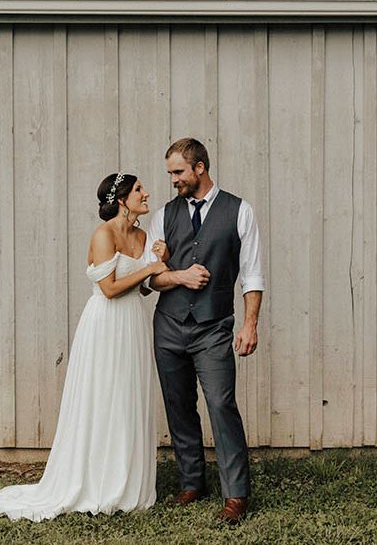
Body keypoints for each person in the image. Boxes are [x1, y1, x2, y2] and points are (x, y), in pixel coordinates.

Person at [0, 172, 169, 521]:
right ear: (121, 199)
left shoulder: (141, 235)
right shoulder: (103, 235)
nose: (146, 193)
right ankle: (93, 481)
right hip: (106, 324)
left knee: (127, 397)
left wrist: (157, 263)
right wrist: (152, 266)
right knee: (102, 397)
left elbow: (142, 288)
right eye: (139, 190)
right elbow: (109, 288)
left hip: (133, 323)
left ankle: (125, 482)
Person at [148, 137, 264, 525]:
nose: (173, 180)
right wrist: (178, 274)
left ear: (200, 168)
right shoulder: (164, 215)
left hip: (213, 327)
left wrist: (249, 324)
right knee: (178, 405)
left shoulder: (239, 211)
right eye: (170, 173)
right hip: (168, 326)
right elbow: (151, 280)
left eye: (178, 172)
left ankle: (236, 494)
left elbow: (251, 274)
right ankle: (192, 481)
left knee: (220, 404)